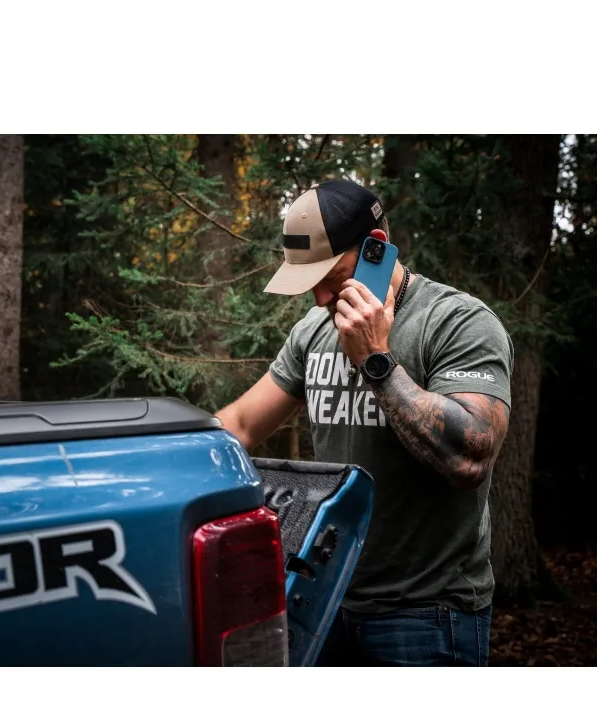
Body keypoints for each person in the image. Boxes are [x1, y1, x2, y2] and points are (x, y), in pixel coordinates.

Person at [215, 179, 514, 667]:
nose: (320, 298)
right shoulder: (313, 330)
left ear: (376, 247)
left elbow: (470, 458)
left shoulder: (458, 322)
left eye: (331, 277)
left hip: (427, 612)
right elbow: (243, 424)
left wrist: (375, 359)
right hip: (324, 600)